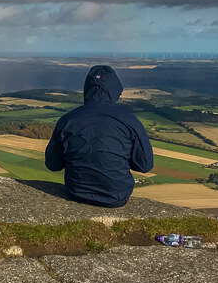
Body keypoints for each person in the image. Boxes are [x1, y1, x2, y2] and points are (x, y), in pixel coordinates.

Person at [45, 65, 153, 207]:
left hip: (76, 193)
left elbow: (53, 164)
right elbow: (145, 165)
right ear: (115, 91)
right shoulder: (130, 121)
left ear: (87, 90)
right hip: (116, 197)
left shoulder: (68, 120)